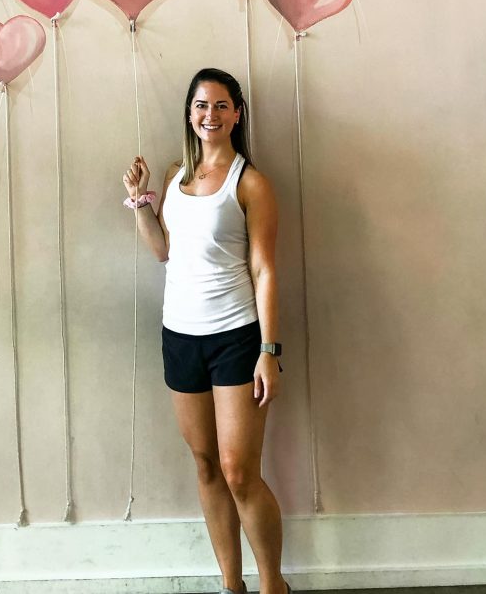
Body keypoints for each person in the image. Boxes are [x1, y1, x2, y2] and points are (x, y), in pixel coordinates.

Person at [123, 67, 290, 594]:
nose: (209, 115)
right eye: (201, 105)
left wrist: (268, 350)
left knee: (239, 470)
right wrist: (141, 204)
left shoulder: (251, 183)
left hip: (236, 337)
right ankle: (231, 586)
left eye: (220, 105)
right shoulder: (177, 176)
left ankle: (272, 587)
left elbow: (264, 269)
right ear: (189, 113)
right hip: (180, 337)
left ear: (237, 114)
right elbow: (165, 253)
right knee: (205, 466)